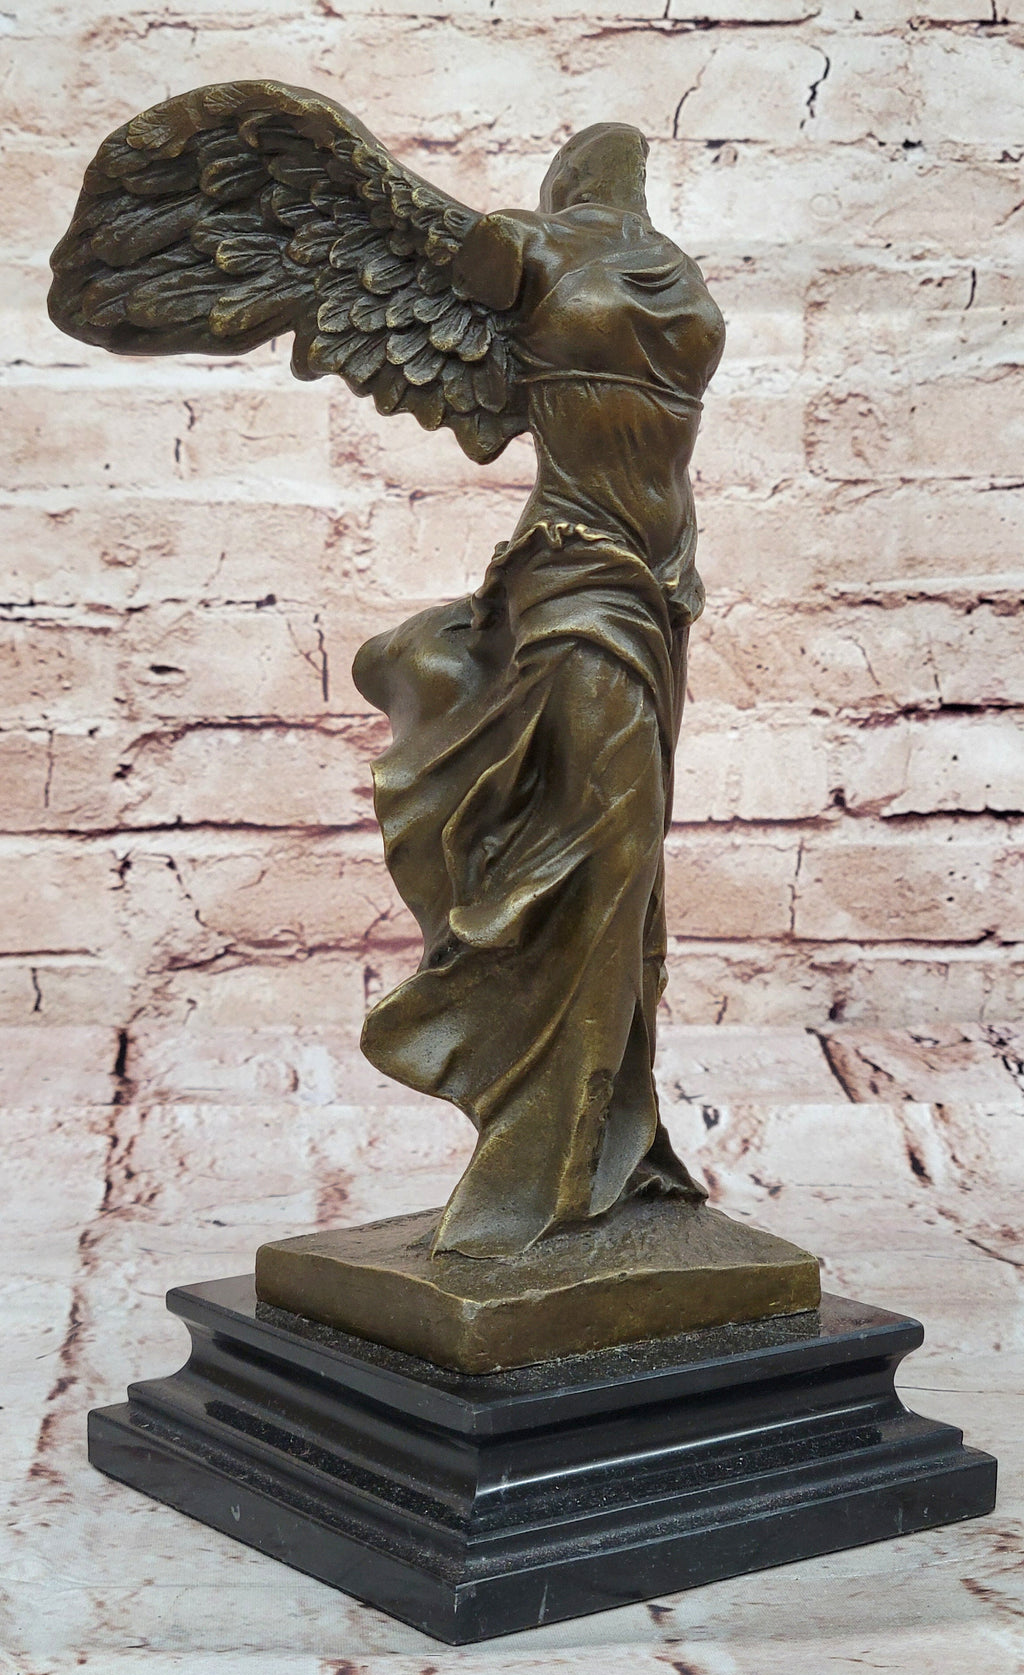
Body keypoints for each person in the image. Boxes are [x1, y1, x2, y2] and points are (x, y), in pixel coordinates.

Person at [354, 124, 727, 1258]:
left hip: (663, 590)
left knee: (633, 876)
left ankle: (615, 1143)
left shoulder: (672, 267)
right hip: (575, 580)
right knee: (602, 854)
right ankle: (536, 1162)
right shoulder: (518, 247)